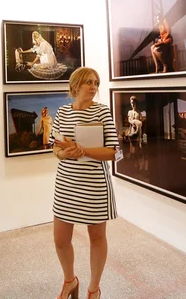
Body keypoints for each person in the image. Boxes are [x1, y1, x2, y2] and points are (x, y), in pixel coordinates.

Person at [52, 67, 119, 299]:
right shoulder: (62, 112)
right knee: (60, 240)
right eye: (88, 82)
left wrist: (83, 151)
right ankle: (70, 281)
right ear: (75, 85)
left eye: (96, 83)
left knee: (97, 238)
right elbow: (55, 148)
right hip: (66, 184)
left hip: (94, 185)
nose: (93, 87)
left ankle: (93, 289)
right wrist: (64, 154)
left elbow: (114, 152)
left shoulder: (102, 112)